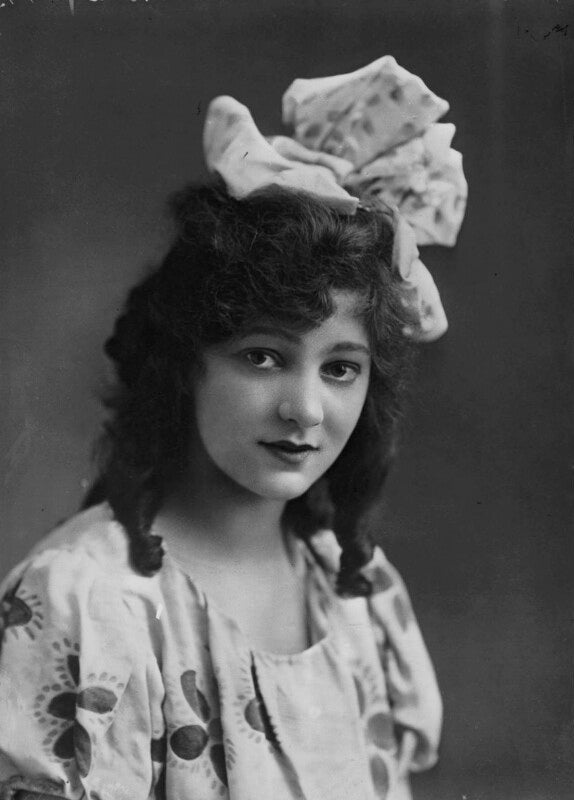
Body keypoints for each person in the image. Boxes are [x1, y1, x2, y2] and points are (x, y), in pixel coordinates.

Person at [0, 57, 467, 800]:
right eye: (263, 357)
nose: (305, 409)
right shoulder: (87, 602)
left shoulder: (357, 591)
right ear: (187, 362)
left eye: (340, 368)